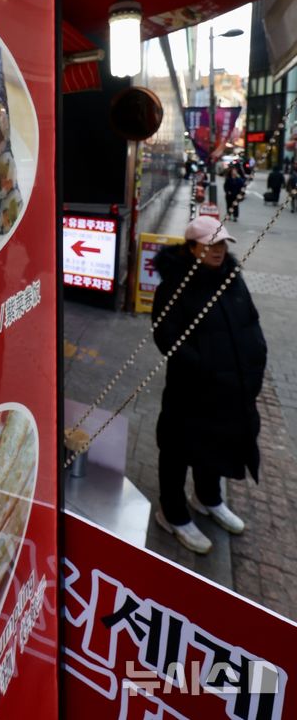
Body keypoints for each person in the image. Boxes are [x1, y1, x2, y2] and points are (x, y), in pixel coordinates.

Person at [151, 216, 267, 554]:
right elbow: (166, 336)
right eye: (210, 244)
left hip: (231, 389)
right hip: (191, 391)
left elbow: (251, 322)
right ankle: (172, 513)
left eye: (222, 244)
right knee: (177, 449)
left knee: (216, 443)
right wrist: (203, 369)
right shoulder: (175, 285)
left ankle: (207, 498)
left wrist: (254, 365)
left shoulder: (232, 279)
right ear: (192, 247)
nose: (219, 250)